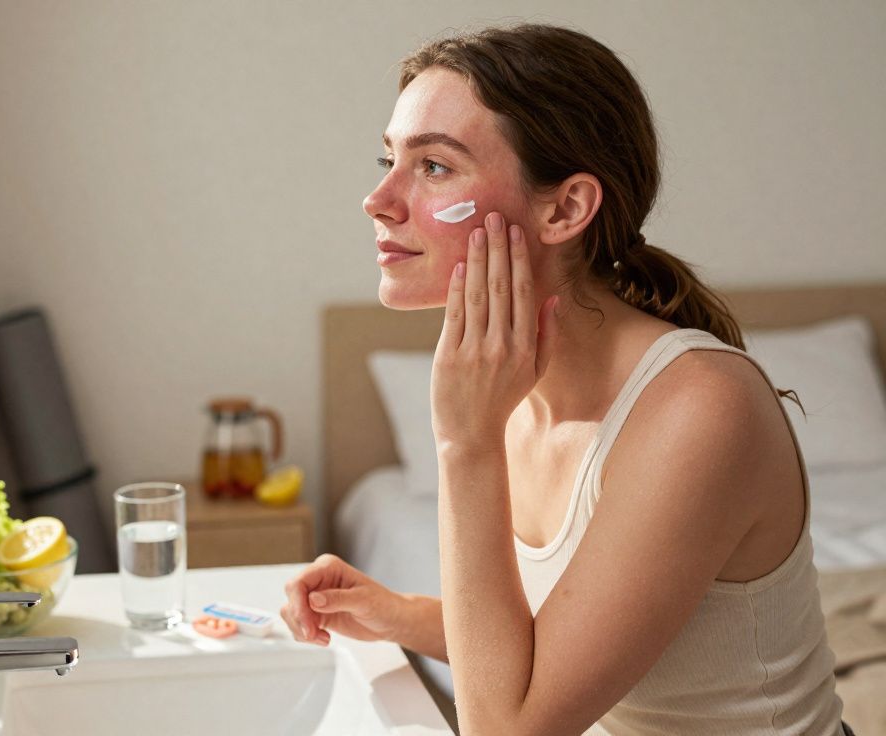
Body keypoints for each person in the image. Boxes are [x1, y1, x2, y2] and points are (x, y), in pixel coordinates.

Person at [281, 24, 850, 735]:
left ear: (565, 209)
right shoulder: (516, 390)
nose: (378, 198)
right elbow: (551, 652)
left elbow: (507, 728)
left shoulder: (701, 409)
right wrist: (398, 615)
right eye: (389, 158)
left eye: (433, 167)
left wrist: (465, 444)